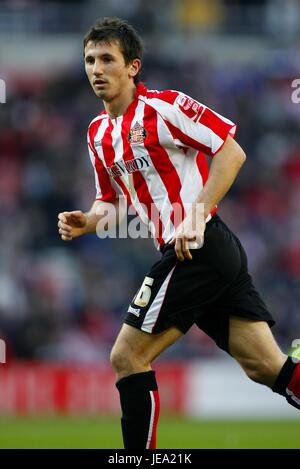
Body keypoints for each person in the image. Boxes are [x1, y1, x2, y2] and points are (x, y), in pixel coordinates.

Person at [58, 17, 300, 449]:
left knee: (127, 356)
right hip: (201, 254)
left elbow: (231, 150)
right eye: (89, 60)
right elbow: (110, 202)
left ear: (132, 67)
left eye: (107, 59)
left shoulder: (164, 108)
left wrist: (195, 214)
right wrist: (88, 221)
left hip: (198, 246)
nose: (96, 69)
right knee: (268, 367)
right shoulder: (98, 134)